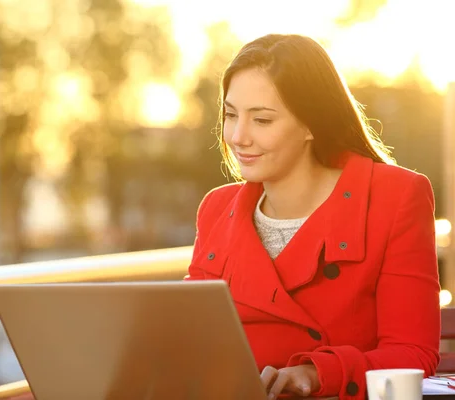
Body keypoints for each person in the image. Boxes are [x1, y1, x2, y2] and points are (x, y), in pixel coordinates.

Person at [185, 33, 440, 399]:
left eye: (262, 120)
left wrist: (316, 373)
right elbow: (192, 341)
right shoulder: (216, 208)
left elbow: (413, 353)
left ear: (310, 124)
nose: (238, 136)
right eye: (230, 115)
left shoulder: (396, 197)